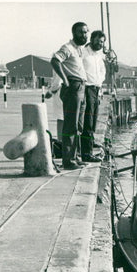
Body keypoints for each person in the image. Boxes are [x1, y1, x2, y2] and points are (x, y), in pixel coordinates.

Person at [51, 22, 89, 169]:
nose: (84, 35)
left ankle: (76, 156)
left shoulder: (79, 49)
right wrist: (65, 80)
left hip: (81, 87)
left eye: (86, 32)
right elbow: (55, 60)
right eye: (81, 32)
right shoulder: (67, 48)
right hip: (73, 87)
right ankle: (68, 161)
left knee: (79, 125)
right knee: (70, 125)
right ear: (74, 33)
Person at [81, 30, 107, 162]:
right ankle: (86, 153)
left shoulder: (99, 56)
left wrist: (100, 84)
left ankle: (89, 146)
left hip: (96, 89)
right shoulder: (83, 53)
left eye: (102, 42)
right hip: (87, 88)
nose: (99, 44)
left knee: (94, 121)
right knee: (88, 122)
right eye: (97, 41)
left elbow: (103, 71)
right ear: (91, 39)